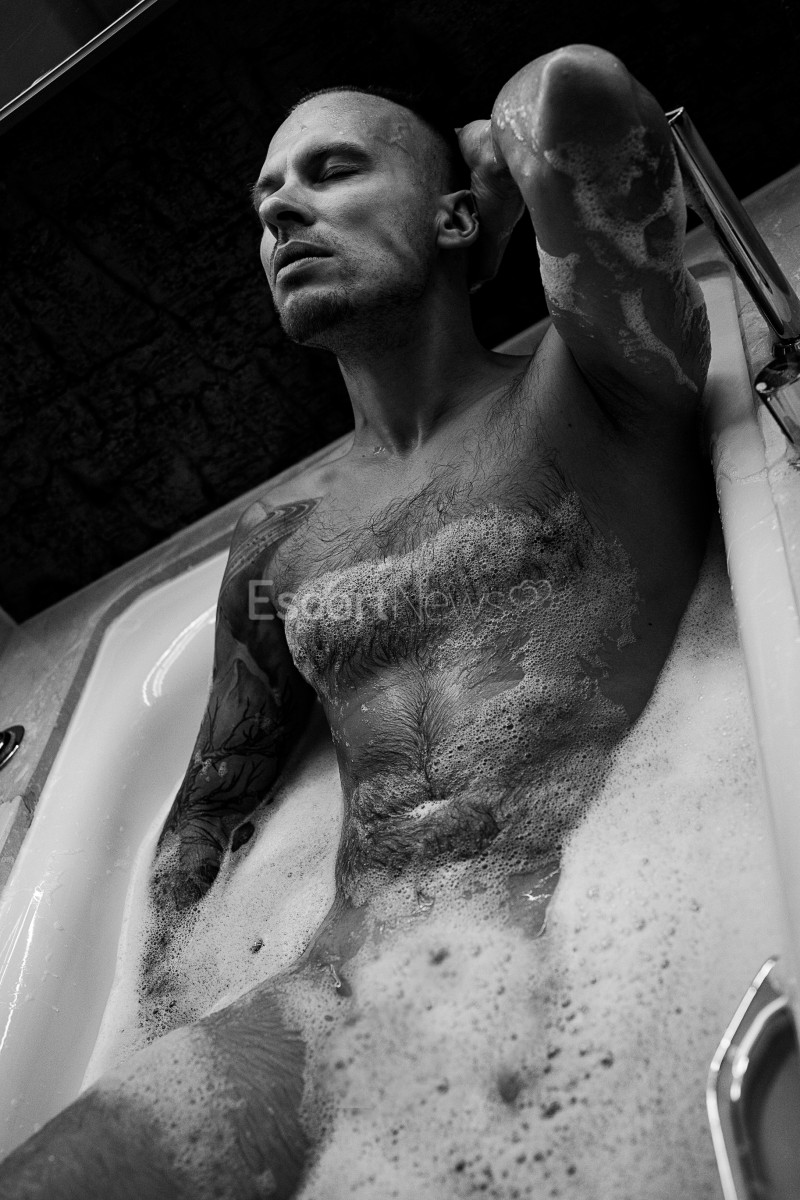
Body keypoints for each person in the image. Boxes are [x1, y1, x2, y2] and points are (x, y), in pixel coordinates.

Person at [0, 43, 713, 1199]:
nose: (281, 210)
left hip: (610, 939)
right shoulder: (277, 544)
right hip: (337, 995)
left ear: (458, 213)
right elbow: (210, 806)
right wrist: (164, 1013)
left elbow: (581, 99)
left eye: (332, 171)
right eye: (265, 202)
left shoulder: (589, 390)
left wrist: (487, 167)